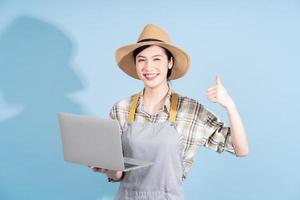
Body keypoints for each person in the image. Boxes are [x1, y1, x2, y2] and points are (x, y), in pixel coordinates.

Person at [89, 24, 249, 199]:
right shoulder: (121, 109)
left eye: (157, 59)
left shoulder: (190, 111)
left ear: (170, 62)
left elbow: (240, 149)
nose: (148, 67)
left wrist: (229, 105)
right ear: (136, 64)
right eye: (142, 60)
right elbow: (117, 175)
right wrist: (106, 167)